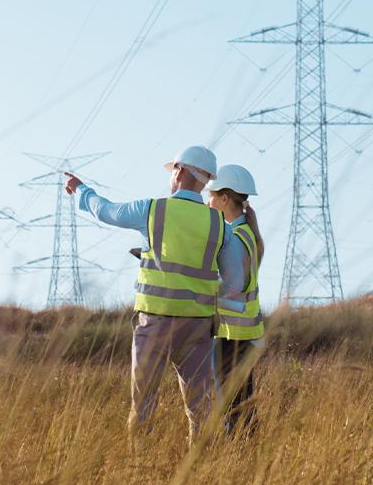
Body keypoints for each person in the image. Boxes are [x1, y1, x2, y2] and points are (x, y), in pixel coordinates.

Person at [64, 145, 246, 445]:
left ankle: (137, 469)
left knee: (143, 405)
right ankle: (201, 472)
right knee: (200, 409)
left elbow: (105, 210)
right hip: (197, 327)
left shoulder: (151, 210)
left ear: (180, 171)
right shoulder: (219, 225)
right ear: (206, 181)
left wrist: (81, 190)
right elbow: (235, 281)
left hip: (154, 324)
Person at [205, 164, 265, 436]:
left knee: (233, 408)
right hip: (245, 333)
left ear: (225, 199)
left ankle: (240, 460)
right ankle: (247, 458)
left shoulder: (235, 237)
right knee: (242, 405)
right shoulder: (247, 233)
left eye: (211, 195)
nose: (208, 201)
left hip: (233, 335)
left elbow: (232, 286)